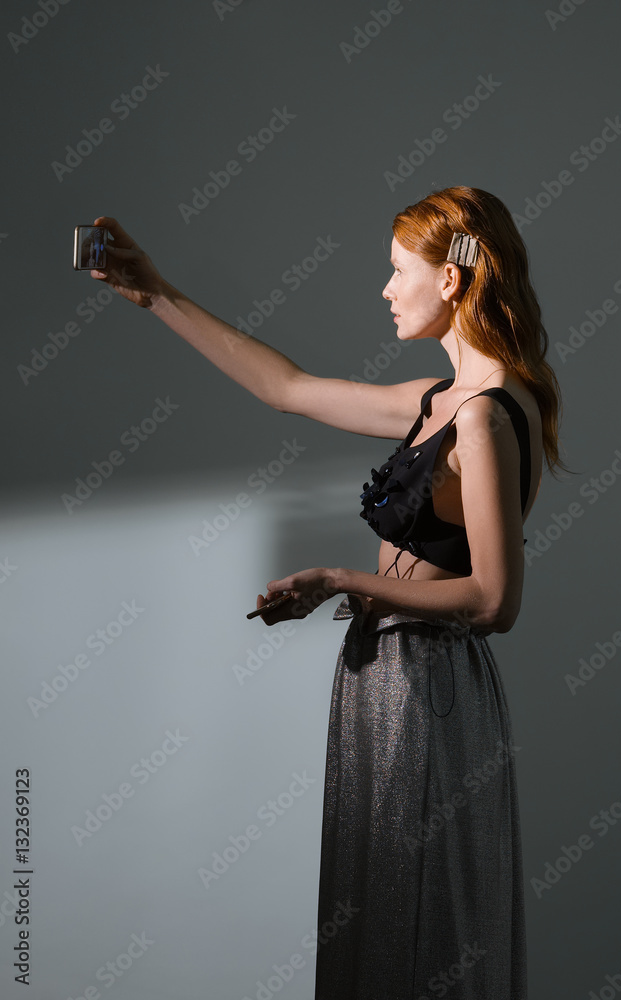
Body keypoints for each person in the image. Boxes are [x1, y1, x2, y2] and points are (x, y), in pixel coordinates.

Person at [89, 186, 570, 999]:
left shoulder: (484, 417)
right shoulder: (436, 401)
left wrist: (341, 581)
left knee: (416, 927)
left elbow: (495, 600)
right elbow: (286, 387)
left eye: (397, 270)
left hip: (427, 689)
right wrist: (156, 293)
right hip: (387, 683)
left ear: (449, 281)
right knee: (385, 919)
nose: (385, 289)